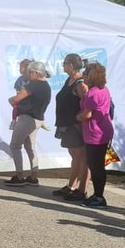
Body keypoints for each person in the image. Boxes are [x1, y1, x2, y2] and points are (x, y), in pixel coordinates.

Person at [6, 60, 51, 187]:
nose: (28, 74)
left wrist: (11, 100)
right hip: (38, 119)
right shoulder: (46, 86)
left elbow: (15, 99)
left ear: (36, 73)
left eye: (30, 72)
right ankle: (33, 177)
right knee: (31, 147)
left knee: (15, 146)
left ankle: (19, 176)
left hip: (27, 118)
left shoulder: (33, 85)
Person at [52, 54, 89, 200]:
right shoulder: (69, 80)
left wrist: (79, 118)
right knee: (75, 156)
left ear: (71, 66)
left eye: (65, 64)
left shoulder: (80, 84)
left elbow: (87, 103)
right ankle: (71, 186)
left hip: (75, 126)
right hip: (67, 125)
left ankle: (80, 189)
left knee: (80, 157)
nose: (63, 66)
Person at [76, 62, 114, 207]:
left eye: (86, 73)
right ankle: (98, 195)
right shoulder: (103, 89)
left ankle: (99, 197)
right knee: (96, 165)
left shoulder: (93, 93)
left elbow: (87, 114)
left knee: (95, 166)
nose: (83, 75)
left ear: (91, 76)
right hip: (102, 131)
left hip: (96, 133)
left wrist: (77, 117)